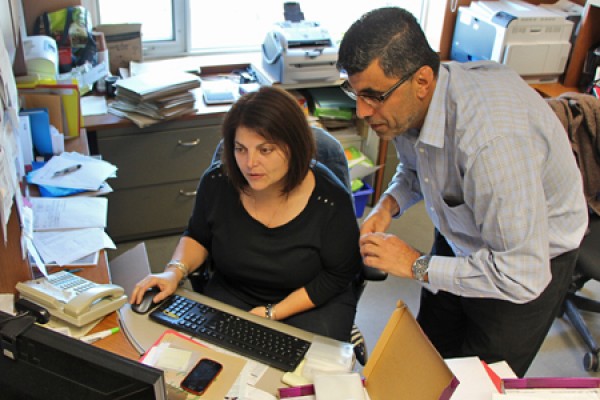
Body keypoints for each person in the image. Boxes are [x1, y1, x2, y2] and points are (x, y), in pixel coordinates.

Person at [336, 7, 588, 377]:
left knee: (476, 380)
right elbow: (415, 167)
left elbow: (520, 275)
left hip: (525, 264)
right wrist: (387, 206)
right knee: (427, 353)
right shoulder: (410, 106)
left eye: (373, 96)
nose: (361, 111)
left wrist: (415, 264)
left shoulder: (491, 144)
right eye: (355, 93)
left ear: (422, 81)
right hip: (460, 232)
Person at [131, 86, 362, 342]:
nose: (250, 163)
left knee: (301, 374)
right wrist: (173, 272)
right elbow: (198, 236)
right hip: (236, 289)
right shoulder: (219, 181)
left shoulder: (329, 199)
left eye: (265, 150)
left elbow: (338, 274)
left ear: (295, 147)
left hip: (310, 298)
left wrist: (273, 312)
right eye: (241, 149)